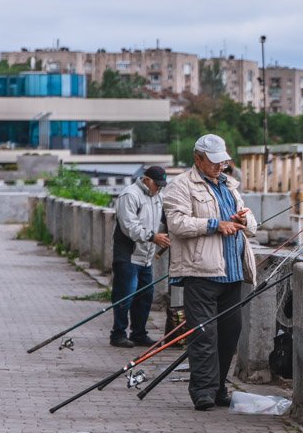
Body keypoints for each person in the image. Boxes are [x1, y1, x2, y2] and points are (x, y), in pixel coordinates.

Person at [162, 134, 258, 411]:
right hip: (201, 271)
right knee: (203, 334)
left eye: (223, 162)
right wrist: (216, 225)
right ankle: (202, 391)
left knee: (230, 333)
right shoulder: (181, 185)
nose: (220, 167)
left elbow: (251, 224)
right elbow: (177, 224)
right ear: (198, 159)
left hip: (232, 271)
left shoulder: (229, 186)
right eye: (214, 162)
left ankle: (218, 388)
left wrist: (243, 220)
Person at [110, 166, 170, 348]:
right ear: (146, 179)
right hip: (128, 254)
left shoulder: (158, 197)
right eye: (156, 184)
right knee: (124, 295)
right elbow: (129, 226)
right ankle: (118, 334)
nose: (158, 188)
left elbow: (164, 218)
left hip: (146, 256)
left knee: (145, 296)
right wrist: (153, 237)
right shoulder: (130, 195)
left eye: (161, 185)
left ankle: (139, 333)